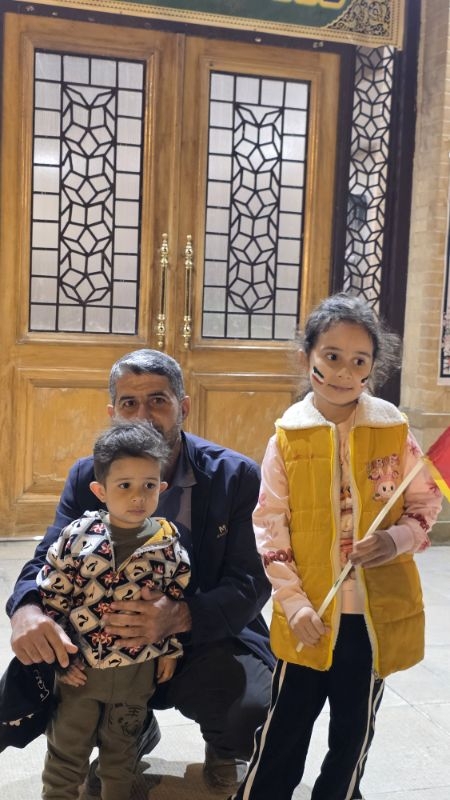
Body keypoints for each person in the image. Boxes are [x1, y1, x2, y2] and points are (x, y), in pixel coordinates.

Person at [7, 349, 274, 794]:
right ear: (113, 412)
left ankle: (225, 749)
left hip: (201, 636)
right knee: (47, 663)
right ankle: (132, 732)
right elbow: (47, 558)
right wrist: (26, 609)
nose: (144, 415)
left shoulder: (235, 476)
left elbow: (252, 579)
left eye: (158, 401)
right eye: (129, 403)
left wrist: (181, 617)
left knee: (246, 705)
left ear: (183, 407)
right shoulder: (88, 476)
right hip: (103, 641)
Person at [229, 293, 443, 800]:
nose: (345, 371)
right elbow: (270, 525)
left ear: (374, 367)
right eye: (332, 356)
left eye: (359, 361)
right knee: (286, 725)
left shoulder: (393, 430)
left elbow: (424, 502)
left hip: (373, 616)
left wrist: (396, 539)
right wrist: (294, 603)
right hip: (310, 614)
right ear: (308, 356)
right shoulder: (287, 438)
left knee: (353, 730)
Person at [37, 419, 191, 800]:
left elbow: (174, 600)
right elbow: (53, 596)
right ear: (100, 490)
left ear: (162, 488)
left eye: (149, 486)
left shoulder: (168, 546)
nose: (138, 497)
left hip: (135, 676)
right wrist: (60, 659)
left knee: (121, 758)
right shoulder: (77, 537)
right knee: (65, 754)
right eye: (125, 486)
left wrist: (170, 649)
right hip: (80, 674)